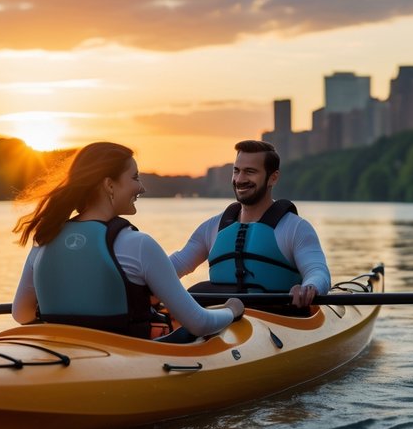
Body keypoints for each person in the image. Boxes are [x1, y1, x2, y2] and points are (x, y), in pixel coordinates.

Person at [12, 141, 243, 338]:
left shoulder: (45, 237)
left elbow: (21, 314)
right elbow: (199, 323)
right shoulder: (138, 244)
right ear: (109, 185)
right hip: (126, 362)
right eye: (135, 177)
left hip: (66, 356)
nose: (141, 187)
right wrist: (231, 310)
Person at [169, 139, 330, 308]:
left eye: (250, 172)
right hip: (219, 319)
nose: (240, 179)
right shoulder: (212, 227)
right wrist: (142, 276)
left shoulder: (295, 228)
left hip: (279, 319)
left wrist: (309, 287)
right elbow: (177, 264)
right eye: (236, 171)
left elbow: (318, 271)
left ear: (273, 178)